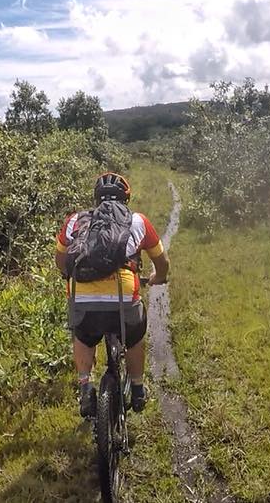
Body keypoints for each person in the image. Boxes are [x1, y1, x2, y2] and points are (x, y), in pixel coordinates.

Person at [54, 172, 170, 417]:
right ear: (125, 199)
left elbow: (61, 259)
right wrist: (158, 277)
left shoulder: (75, 220)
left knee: (83, 336)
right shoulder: (139, 221)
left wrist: (71, 276)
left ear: (96, 198)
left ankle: (86, 387)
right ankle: (138, 388)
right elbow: (161, 261)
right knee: (135, 335)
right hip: (123, 299)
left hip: (82, 299)